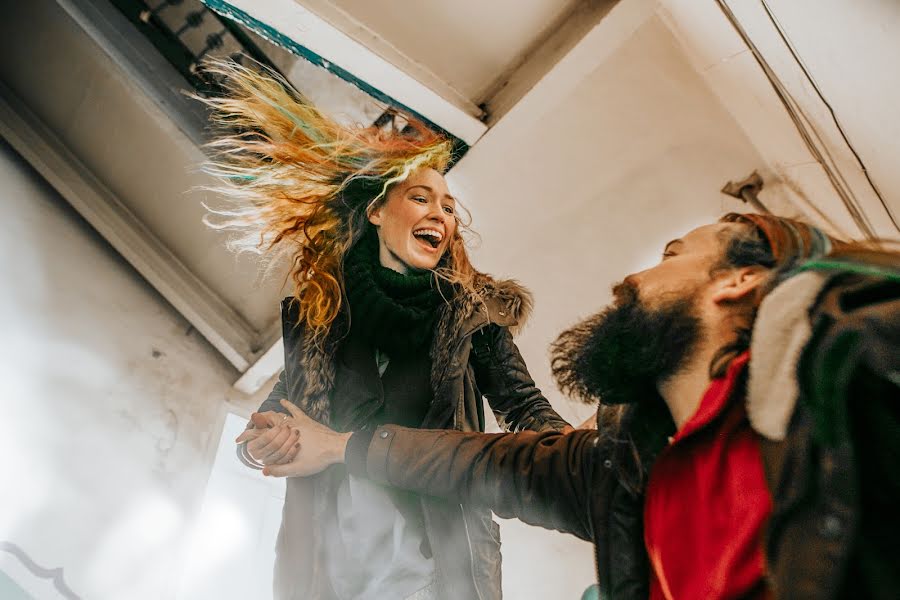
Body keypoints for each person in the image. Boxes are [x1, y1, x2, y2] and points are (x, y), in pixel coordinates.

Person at [258, 213, 900, 599]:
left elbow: (519, 405)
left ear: (738, 281)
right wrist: (333, 446)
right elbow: (485, 464)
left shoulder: (860, 365)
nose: (631, 279)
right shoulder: (625, 474)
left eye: (672, 255)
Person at [200, 61, 572, 600]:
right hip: (333, 572)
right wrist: (261, 445)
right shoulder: (322, 321)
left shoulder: (473, 315)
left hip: (440, 568)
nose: (441, 216)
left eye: (449, 208)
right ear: (377, 211)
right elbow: (271, 423)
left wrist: (579, 451)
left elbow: (524, 405)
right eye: (422, 198)